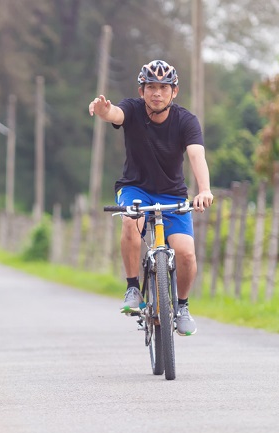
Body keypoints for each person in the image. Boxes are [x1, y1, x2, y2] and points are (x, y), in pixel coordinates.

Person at [88, 59, 213, 336]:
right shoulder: (132, 109)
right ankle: (133, 287)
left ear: (174, 92)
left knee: (187, 254)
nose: (157, 93)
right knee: (132, 219)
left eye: (163, 87)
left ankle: (182, 306)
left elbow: (196, 155)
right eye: (151, 87)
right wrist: (104, 111)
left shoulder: (186, 121)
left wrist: (204, 189)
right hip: (135, 188)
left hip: (173, 194)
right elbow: (116, 114)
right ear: (141, 90)